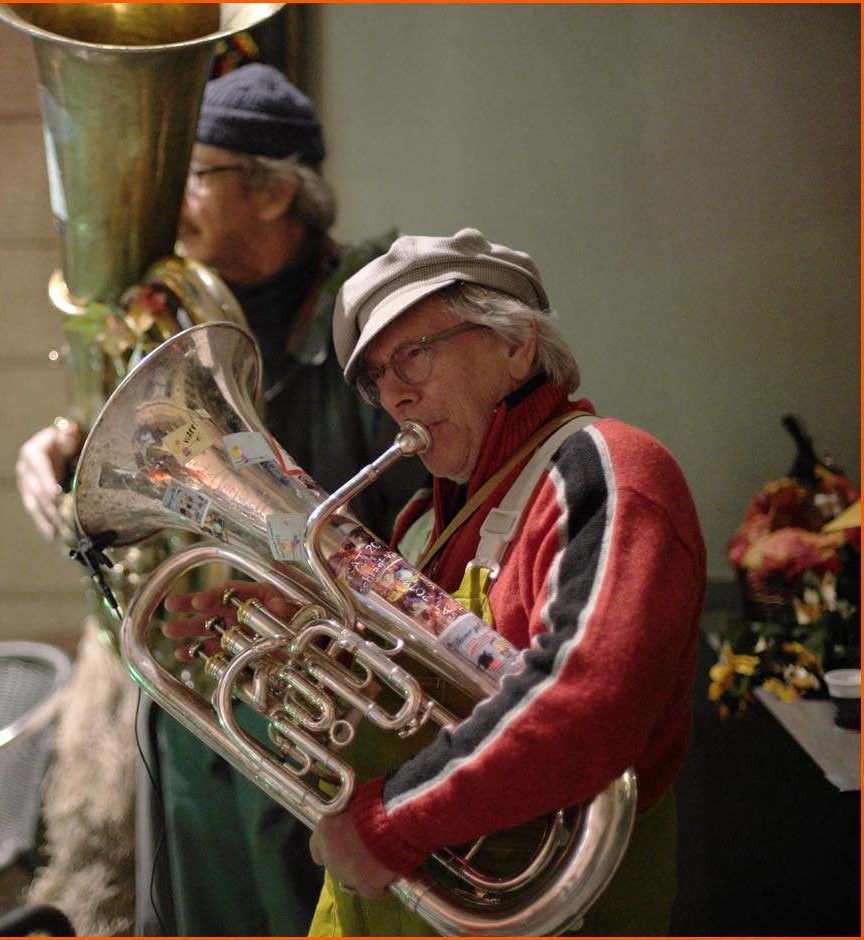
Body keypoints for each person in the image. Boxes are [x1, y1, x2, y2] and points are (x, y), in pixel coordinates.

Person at [166, 227, 707, 936]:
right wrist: (304, 636)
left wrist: (391, 822)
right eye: (375, 378)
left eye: (413, 355)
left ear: (516, 346)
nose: (394, 395)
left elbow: (586, 706)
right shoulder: (422, 521)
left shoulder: (605, 469)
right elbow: (414, 707)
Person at [17, 63, 428, 936]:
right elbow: (135, 456)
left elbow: (428, 522)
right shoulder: (169, 316)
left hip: (336, 711)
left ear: (276, 192)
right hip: (204, 693)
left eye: (195, 175)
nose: (168, 205)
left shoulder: (375, 319)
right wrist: (66, 446)